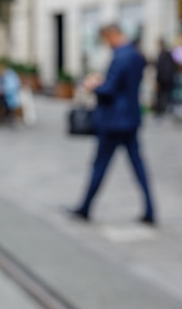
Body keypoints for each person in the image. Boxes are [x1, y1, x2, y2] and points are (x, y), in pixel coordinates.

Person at [69, 24, 156, 225]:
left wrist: (94, 85)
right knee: (138, 166)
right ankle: (150, 209)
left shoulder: (120, 56)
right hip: (131, 119)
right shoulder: (135, 54)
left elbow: (109, 90)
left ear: (110, 36)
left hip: (113, 121)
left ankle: (85, 207)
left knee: (100, 165)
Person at [153, 38, 176, 117]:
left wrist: (157, 80)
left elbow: (160, 69)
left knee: (161, 95)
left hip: (162, 79)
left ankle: (161, 111)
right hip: (169, 78)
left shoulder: (162, 55)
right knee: (167, 94)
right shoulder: (169, 54)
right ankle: (167, 110)